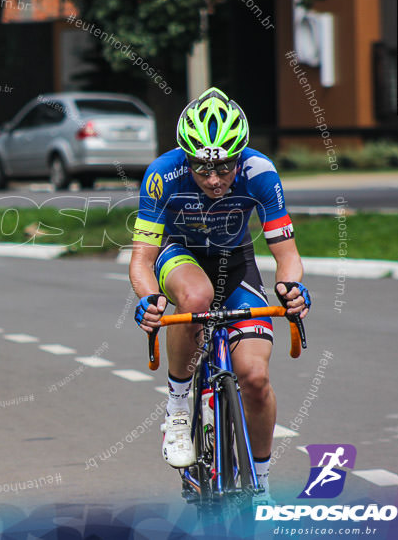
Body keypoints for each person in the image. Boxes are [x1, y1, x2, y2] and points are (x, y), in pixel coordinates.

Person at [128, 87, 311, 503]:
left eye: (224, 169)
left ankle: (260, 483)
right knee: (195, 295)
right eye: (201, 169)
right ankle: (177, 409)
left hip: (237, 262)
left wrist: (292, 289)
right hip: (180, 255)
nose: (213, 180)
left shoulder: (260, 172)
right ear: (185, 158)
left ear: (239, 157)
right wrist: (149, 298)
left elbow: (287, 255)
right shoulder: (162, 173)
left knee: (256, 378)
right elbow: (141, 260)